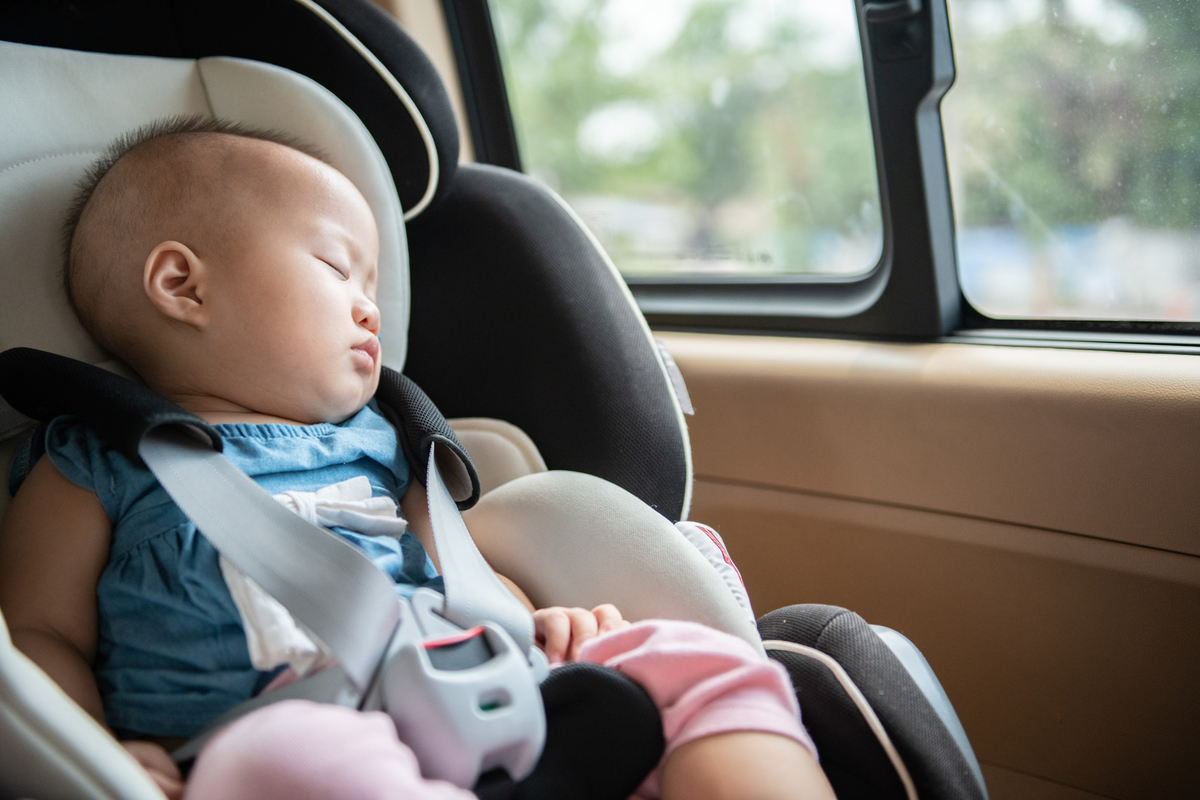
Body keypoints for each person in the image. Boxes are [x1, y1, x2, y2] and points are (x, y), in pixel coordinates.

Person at [0, 117, 834, 800]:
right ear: (183, 285)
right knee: (287, 763)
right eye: (337, 268)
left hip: (460, 684)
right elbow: (35, 632)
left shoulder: (386, 441)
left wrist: (529, 623)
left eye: (372, 284)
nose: (371, 309)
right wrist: (101, 753)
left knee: (699, 660)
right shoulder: (95, 458)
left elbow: (454, 571)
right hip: (257, 736)